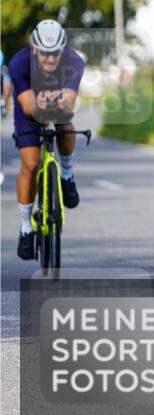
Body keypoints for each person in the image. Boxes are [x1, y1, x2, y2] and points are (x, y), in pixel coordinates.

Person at [9, 20, 85, 260]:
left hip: (58, 105)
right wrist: (41, 104)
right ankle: (26, 226)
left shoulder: (74, 62)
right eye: (45, 54)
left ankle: (67, 175)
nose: (50, 60)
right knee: (31, 163)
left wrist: (60, 104)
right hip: (29, 110)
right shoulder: (19, 63)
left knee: (66, 124)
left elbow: (69, 102)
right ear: (34, 49)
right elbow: (28, 106)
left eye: (55, 54)